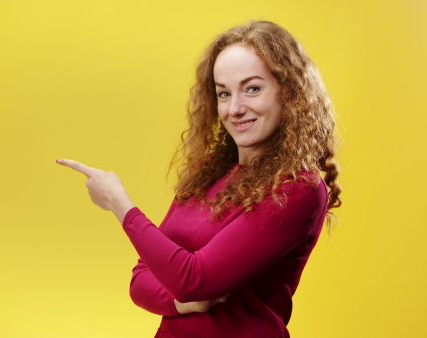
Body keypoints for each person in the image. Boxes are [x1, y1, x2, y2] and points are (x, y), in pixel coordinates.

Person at [57, 20, 341, 338]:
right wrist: (183, 303)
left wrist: (119, 204)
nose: (234, 108)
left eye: (253, 88)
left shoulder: (297, 189)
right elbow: (140, 281)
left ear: (289, 93)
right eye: (223, 93)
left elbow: (194, 280)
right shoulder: (210, 172)